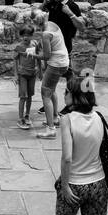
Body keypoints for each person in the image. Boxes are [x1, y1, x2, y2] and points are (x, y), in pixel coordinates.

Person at [39, 71, 108, 215]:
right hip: (98, 183)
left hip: (75, 183)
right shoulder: (99, 118)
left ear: (75, 96)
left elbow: (67, 157)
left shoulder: (68, 120)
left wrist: (65, 185)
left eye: (67, 91)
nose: (64, 94)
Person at [33, 8, 71, 138]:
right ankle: (55, 118)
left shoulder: (45, 35)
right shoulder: (53, 24)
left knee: (45, 94)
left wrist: (34, 54)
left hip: (56, 64)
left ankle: (51, 129)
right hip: (64, 61)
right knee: (52, 89)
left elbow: (47, 56)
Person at [14, 25, 39, 130]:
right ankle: (20, 118)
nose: (26, 37)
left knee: (29, 96)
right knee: (23, 96)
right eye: (24, 35)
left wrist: (40, 70)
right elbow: (15, 60)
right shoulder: (19, 47)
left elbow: (38, 58)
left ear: (32, 35)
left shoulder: (35, 45)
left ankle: (27, 114)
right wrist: (15, 75)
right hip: (22, 74)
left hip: (32, 74)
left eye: (28, 35)